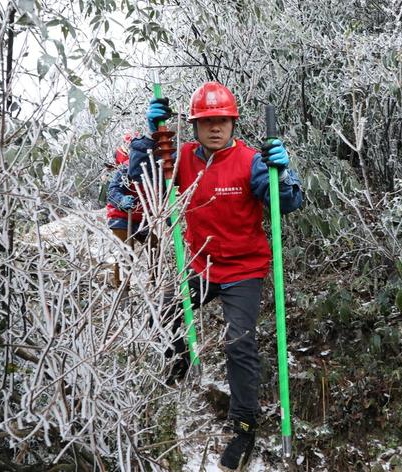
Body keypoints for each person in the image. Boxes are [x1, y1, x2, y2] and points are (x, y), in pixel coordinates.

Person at [129, 82, 303, 471]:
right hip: (202, 265)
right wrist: (149, 137)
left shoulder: (251, 160)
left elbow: (287, 202)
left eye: (222, 120)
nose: (215, 128)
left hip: (244, 268)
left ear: (232, 122)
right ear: (195, 126)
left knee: (238, 344)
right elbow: (142, 182)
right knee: (165, 308)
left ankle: (244, 426)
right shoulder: (181, 157)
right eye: (207, 121)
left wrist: (284, 173)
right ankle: (180, 368)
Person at [106, 132, 146, 288]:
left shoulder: (151, 167)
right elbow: (112, 191)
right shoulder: (125, 168)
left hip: (140, 217)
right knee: (126, 250)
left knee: (154, 244)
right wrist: (121, 201)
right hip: (120, 216)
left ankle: (155, 281)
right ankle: (121, 287)